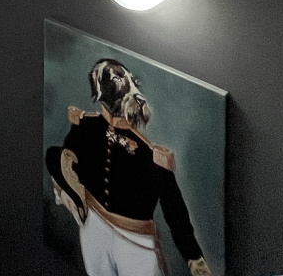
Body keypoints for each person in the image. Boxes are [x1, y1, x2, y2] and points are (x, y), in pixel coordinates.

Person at [46, 59, 213, 276]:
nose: (133, 90)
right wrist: (64, 190)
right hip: (92, 229)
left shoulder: (150, 154)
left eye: (131, 81)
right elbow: (61, 159)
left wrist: (194, 258)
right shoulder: (85, 125)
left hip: (137, 243)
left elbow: (174, 209)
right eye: (118, 79)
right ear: (100, 88)